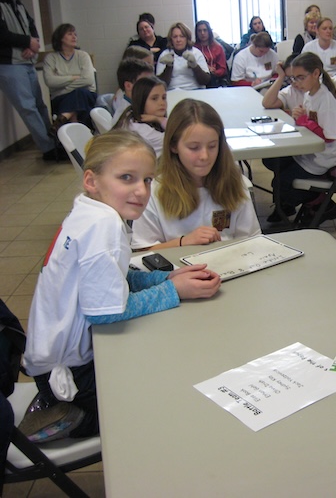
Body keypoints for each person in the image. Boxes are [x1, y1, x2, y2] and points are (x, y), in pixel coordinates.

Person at [20, 130, 221, 441]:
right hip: (72, 375)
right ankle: (70, 417)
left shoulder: (88, 210)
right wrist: (174, 291)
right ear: (92, 180)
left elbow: (115, 277)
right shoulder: (106, 227)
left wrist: (164, 278)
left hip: (45, 363)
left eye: (147, 180)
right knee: (163, 407)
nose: (141, 191)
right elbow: (105, 313)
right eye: (126, 177)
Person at [131, 99, 260, 250]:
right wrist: (183, 242)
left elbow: (253, 240)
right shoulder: (154, 191)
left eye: (212, 146)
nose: (204, 156)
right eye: (194, 147)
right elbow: (142, 251)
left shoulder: (236, 183)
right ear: (173, 146)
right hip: (174, 271)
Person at [261, 52, 336, 225]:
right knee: (273, 162)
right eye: (294, 79)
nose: (297, 83)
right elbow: (310, 122)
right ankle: (289, 205)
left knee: (281, 184)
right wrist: (300, 116)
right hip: (307, 153)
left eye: (300, 77)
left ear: (316, 73)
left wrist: (303, 120)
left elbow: (329, 136)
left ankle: (319, 202)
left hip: (321, 159)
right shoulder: (309, 95)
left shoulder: (326, 100)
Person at [0, 0, 59, 160]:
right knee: (28, 108)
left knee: (40, 106)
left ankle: (53, 142)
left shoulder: (16, 2)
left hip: (27, 61)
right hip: (9, 64)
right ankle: (48, 149)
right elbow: (2, 34)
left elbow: (31, 26)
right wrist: (27, 41)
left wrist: (33, 46)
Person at [43, 23, 97, 129]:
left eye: (75, 34)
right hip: (61, 99)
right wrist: (73, 77)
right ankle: (75, 126)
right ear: (60, 38)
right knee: (77, 99)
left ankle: (63, 120)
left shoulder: (83, 56)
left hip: (86, 95)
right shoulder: (51, 58)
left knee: (80, 93)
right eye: (70, 34)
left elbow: (88, 80)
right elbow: (50, 81)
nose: (74, 37)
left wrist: (64, 87)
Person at [113, 75, 167, 157]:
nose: (162, 103)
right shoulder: (140, 130)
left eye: (164, 97)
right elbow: (178, 136)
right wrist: (160, 120)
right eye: (154, 98)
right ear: (141, 100)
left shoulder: (131, 113)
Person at [156, 22, 210, 90]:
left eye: (182, 36)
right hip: (172, 91)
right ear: (171, 39)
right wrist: (168, 67)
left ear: (187, 38)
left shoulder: (196, 53)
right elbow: (160, 84)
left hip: (195, 89)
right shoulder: (165, 54)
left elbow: (205, 81)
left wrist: (195, 66)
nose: (178, 40)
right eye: (175, 37)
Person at [111, 57, 154, 125]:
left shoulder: (138, 107)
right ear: (128, 86)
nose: (152, 87)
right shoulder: (128, 118)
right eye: (145, 83)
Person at [194, 20, 228, 88]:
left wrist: (214, 72)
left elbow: (223, 69)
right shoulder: (193, 48)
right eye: (199, 31)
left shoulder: (218, 48)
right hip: (198, 78)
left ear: (209, 31)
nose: (202, 33)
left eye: (205, 30)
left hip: (215, 78)